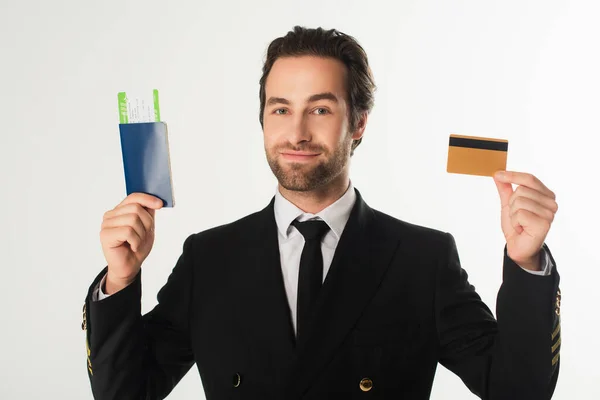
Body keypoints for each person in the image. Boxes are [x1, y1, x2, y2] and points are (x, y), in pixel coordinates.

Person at [82, 26, 561, 400]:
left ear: (358, 123)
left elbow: (515, 391)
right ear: (263, 120)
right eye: (280, 109)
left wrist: (525, 264)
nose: (297, 134)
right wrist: (121, 281)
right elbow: (127, 393)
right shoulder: (210, 257)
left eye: (321, 110)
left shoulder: (423, 258)